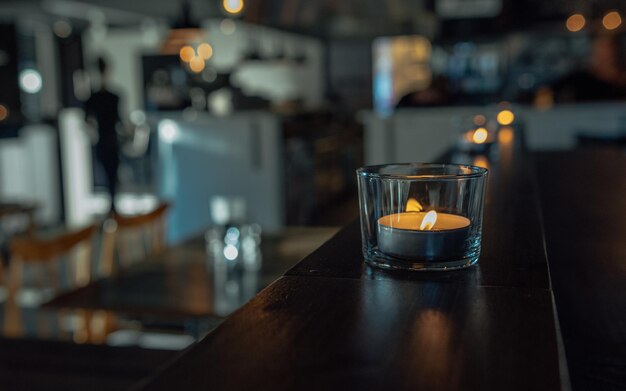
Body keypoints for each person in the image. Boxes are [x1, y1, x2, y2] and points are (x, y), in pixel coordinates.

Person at [84, 57, 122, 214]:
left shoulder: (110, 97)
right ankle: (112, 205)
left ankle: (113, 205)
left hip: (109, 140)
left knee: (112, 175)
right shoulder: (97, 98)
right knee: (109, 175)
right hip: (107, 140)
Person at [545, 34, 626, 103]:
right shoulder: (580, 78)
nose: (602, 56)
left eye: (606, 51)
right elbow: (549, 90)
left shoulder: (620, 83)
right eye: (598, 52)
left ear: (614, 53)